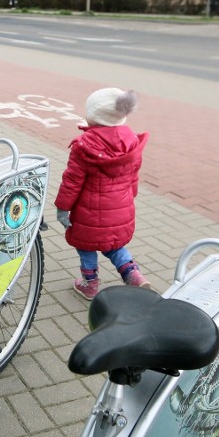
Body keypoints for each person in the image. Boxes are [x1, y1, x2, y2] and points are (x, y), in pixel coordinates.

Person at [54, 87, 150, 300]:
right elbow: (133, 176)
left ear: (94, 116)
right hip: (120, 209)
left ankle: (90, 285)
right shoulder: (132, 141)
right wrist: (129, 197)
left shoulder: (83, 146)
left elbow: (72, 181)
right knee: (115, 245)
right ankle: (132, 273)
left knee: (86, 246)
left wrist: (62, 208)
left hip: (88, 212)